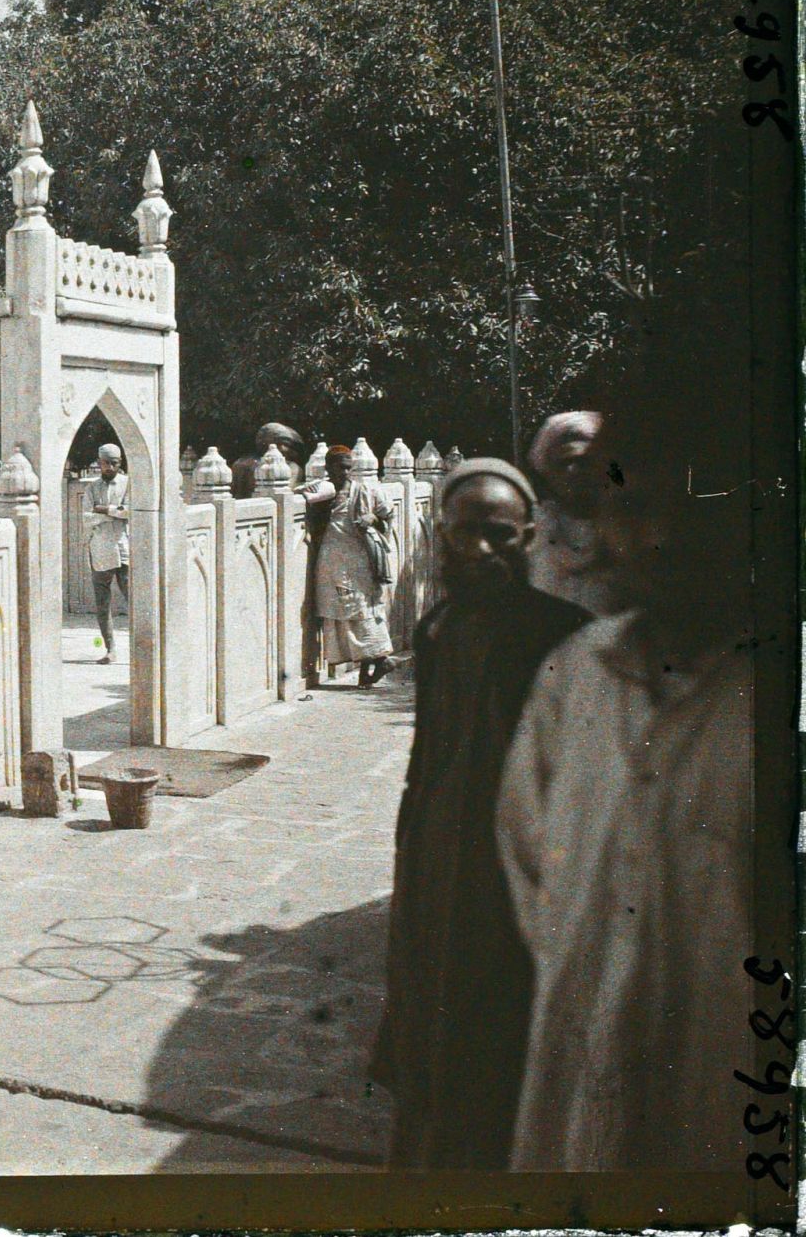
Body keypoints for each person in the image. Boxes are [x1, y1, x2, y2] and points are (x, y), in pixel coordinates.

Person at [496, 391, 755, 1171]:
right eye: (634, 507)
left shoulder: (770, 693)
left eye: (692, 507)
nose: (662, 536)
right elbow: (528, 859)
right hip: (587, 1077)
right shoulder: (574, 679)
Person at [372, 458, 590, 1169]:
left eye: (502, 536)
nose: (485, 551)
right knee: (430, 1043)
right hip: (439, 868)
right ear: (442, 536)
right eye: (469, 535)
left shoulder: (565, 641)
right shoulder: (438, 630)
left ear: (528, 538)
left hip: (517, 880)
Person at [302, 444, 396, 686]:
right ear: (328, 468)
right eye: (339, 467)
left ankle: (380, 658)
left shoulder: (364, 490)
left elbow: (388, 515)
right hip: (331, 562)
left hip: (358, 562)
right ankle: (368, 671)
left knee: (361, 609)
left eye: (347, 468)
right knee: (341, 610)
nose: (344, 472)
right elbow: (299, 496)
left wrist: (372, 518)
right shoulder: (323, 491)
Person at [524, 410, 619, 616]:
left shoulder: (625, 527)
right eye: (563, 464)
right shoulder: (534, 534)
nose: (573, 471)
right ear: (548, 472)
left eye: (583, 461)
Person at [84, 443, 130, 665]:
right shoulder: (92, 488)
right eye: (106, 462)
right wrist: (115, 512)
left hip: (124, 548)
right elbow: (86, 518)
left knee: (134, 599)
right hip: (100, 549)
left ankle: (141, 647)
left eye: (115, 463)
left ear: (120, 463)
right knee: (103, 603)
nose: (110, 467)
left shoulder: (128, 483)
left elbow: (130, 511)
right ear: (99, 462)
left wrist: (103, 509)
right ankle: (110, 649)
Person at [230, 422, 306, 499]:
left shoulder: (240, 463)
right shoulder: (291, 467)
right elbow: (286, 493)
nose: (291, 452)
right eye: (286, 444)